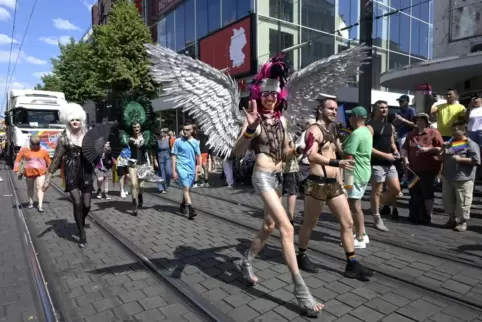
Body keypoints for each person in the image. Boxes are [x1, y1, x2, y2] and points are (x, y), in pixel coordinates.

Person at [145, 42, 370, 318]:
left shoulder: (283, 121)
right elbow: (237, 152)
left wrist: (300, 149)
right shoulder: (251, 120)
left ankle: (245, 261)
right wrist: (250, 128)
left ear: (279, 96)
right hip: (262, 177)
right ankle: (301, 291)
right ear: (258, 94)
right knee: (286, 228)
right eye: (265, 94)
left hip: (277, 176)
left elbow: (287, 151)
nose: (270, 98)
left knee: (270, 225)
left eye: (274, 95)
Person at [298, 97, 373, 279]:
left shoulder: (332, 130)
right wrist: (337, 162)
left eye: (335, 109)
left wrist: (342, 183)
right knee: (310, 223)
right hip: (318, 183)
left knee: (347, 223)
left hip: (334, 185)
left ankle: (352, 263)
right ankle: (301, 255)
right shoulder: (314, 130)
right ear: (320, 109)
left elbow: (335, 154)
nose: (333, 111)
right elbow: (311, 155)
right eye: (330, 108)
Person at [43, 103, 93, 248]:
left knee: (87, 205)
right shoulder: (64, 139)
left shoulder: (88, 137)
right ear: (68, 121)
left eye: (77, 119)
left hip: (87, 172)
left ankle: (80, 220)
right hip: (71, 172)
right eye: (72, 120)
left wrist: (103, 150)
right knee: (77, 203)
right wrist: (48, 178)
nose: (75, 122)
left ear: (81, 120)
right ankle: (81, 232)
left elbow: (96, 155)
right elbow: (56, 159)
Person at [119, 101, 163, 216]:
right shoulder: (128, 137)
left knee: (141, 186)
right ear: (132, 128)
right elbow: (122, 143)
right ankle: (134, 203)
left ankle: (139, 195)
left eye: (138, 127)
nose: (136, 128)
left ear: (140, 127)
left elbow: (153, 146)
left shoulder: (146, 136)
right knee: (134, 184)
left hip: (143, 163)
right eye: (134, 127)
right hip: (132, 163)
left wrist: (146, 146)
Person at [402, 113, 444, 225]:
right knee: (413, 192)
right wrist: (405, 160)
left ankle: (428, 215)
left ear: (427, 122)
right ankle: (414, 215)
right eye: (418, 120)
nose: (420, 122)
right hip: (413, 170)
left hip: (428, 169)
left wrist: (429, 149)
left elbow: (442, 148)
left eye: (422, 120)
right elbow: (405, 149)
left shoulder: (433, 133)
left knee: (427, 193)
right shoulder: (411, 134)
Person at [367, 100, 401, 230]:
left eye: (386, 107)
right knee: (377, 190)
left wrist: (396, 151)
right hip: (377, 163)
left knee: (396, 189)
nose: (384, 110)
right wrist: (385, 155)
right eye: (381, 108)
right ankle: (377, 216)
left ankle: (376, 204)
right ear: (375, 110)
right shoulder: (370, 126)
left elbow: (392, 142)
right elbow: (368, 147)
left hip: (389, 162)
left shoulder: (389, 125)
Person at [441, 121, 480, 232]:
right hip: (449, 177)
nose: (453, 132)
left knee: (463, 201)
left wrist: (461, 159)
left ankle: (462, 222)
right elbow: (441, 158)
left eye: (456, 130)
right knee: (448, 200)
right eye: (452, 130)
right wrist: (442, 148)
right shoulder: (451, 143)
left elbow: (476, 161)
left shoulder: (470, 144)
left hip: (463, 178)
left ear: (463, 131)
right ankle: (452, 219)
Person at [342, 106, 372, 248]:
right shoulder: (366, 131)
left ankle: (359, 238)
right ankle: (363, 233)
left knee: (354, 206)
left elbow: (348, 156)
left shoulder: (356, 134)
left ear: (356, 117)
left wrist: (347, 180)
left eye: (350, 116)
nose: (349, 119)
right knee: (357, 204)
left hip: (355, 173)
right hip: (364, 171)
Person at [14, 135, 51, 212]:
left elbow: (49, 162)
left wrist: (50, 172)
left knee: (40, 187)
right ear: (30, 143)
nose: (35, 146)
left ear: (39, 143)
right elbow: (17, 160)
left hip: (41, 172)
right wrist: (17, 170)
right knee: (30, 188)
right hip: (28, 172)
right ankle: (31, 202)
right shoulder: (24, 150)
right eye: (33, 144)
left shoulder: (44, 151)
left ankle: (40, 205)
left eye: (37, 144)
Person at [172, 122, 201, 219]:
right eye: (184, 129)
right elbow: (174, 156)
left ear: (192, 130)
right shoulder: (177, 141)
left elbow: (198, 155)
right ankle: (191, 209)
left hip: (191, 168)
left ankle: (183, 204)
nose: (185, 131)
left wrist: (199, 167)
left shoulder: (195, 142)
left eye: (188, 129)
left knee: (188, 189)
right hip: (181, 167)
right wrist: (174, 170)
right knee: (186, 187)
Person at [156, 128, 172, 193]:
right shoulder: (157, 140)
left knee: (169, 172)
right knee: (162, 173)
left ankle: (167, 184)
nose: (163, 133)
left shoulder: (168, 139)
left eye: (164, 132)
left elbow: (170, 149)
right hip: (160, 157)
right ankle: (162, 188)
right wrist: (154, 160)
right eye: (161, 132)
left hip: (167, 157)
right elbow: (153, 152)